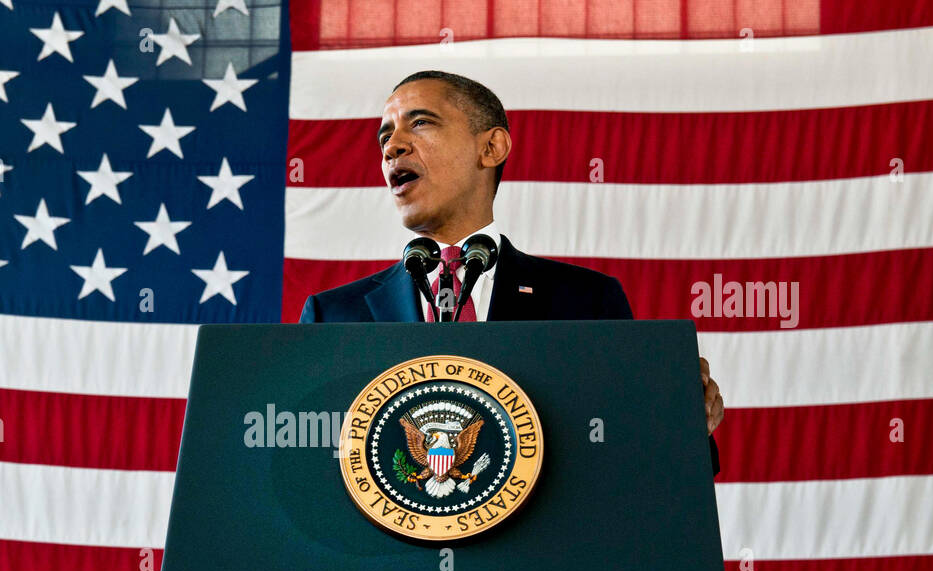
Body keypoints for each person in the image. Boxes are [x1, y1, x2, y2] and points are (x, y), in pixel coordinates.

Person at [299, 70, 725, 466]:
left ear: (491, 148)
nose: (393, 146)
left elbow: (641, 461)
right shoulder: (333, 315)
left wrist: (683, 424)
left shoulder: (586, 300)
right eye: (385, 137)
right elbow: (306, 470)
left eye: (421, 123)